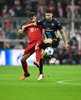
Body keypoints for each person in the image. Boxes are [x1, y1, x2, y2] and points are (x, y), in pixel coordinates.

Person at [22, 9, 69, 80]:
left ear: (52, 15)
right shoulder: (43, 21)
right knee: (41, 55)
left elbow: (62, 32)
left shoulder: (55, 22)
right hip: (47, 42)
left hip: (55, 40)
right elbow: (34, 24)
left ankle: (53, 57)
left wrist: (65, 43)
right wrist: (25, 26)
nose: (47, 16)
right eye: (46, 15)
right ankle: (41, 73)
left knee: (47, 40)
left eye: (49, 15)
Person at [18, 12, 44, 80]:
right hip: (31, 44)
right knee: (22, 60)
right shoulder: (27, 25)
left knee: (37, 48)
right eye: (31, 18)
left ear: (36, 17)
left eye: (33, 18)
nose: (32, 20)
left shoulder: (40, 23)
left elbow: (44, 30)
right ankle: (26, 73)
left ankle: (39, 67)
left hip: (39, 42)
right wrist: (20, 32)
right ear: (29, 19)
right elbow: (22, 32)